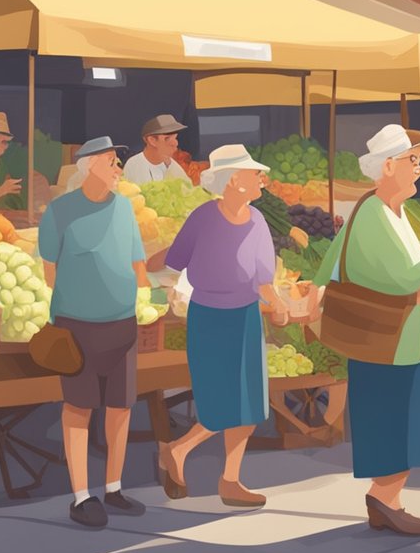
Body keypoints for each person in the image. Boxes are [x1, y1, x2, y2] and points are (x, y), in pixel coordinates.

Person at [312, 125, 420, 536]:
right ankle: (384, 499)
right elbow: (408, 279)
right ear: (388, 166)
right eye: (413, 161)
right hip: (389, 343)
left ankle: (390, 500)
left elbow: (329, 264)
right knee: (391, 422)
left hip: (408, 341)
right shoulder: (372, 214)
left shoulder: (393, 211)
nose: (419, 171)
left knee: (403, 421)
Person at [159, 144, 287, 509]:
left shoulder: (258, 221)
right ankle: (178, 450)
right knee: (218, 404)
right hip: (209, 317)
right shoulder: (202, 217)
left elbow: (265, 280)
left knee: (248, 405)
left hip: (245, 316)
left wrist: (277, 305)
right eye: (254, 173)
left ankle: (230, 479)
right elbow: (176, 260)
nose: (262, 178)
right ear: (235, 180)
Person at [38, 136, 148, 528]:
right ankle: (82, 496)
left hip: (122, 323)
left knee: (120, 408)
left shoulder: (124, 209)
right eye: (111, 162)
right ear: (89, 167)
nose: (119, 168)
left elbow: (138, 262)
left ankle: (114, 487)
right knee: (79, 408)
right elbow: (49, 270)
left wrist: (136, 293)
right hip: (77, 326)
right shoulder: (60, 211)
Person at [123, 114, 191, 184]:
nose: (175, 143)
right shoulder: (133, 165)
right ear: (152, 140)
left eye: (175, 138)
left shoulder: (172, 165)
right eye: (167, 138)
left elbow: (189, 189)